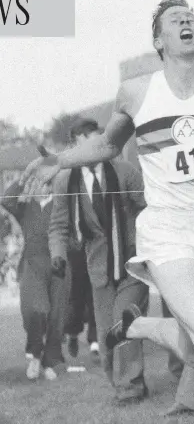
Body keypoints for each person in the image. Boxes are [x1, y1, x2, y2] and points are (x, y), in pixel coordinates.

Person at [21, 0, 194, 422]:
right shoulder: (138, 91)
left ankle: (143, 327)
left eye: (192, 18)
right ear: (159, 40)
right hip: (168, 230)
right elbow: (109, 143)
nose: (186, 21)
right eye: (174, 19)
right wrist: (59, 159)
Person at [48, 118, 149, 404]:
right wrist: (57, 254)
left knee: (124, 320)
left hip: (132, 262)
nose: (97, 149)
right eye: (90, 143)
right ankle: (124, 382)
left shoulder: (125, 171)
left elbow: (148, 208)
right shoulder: (66, 181)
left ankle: (131, 387)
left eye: (100, 142)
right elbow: (58, 225)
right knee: (107, 336)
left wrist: (142, 237)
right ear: (75, 146)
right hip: (98, 267)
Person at [1, 180, 70, 380]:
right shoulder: (25, 207)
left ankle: (49, 361)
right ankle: (35, 354)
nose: (40, 187)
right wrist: (24, 180)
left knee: (57, 315)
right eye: (37, 183)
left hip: (59, 263)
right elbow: (6, 200)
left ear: (51, 185)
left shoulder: (61, 205)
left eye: (45, 183)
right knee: (35, 309)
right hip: (32, 263)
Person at [65, 242, 99, 361]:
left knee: (95, 299)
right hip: (74, 255)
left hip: (94, 252)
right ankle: (73, 334)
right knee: (75, 301)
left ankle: (95, 340)